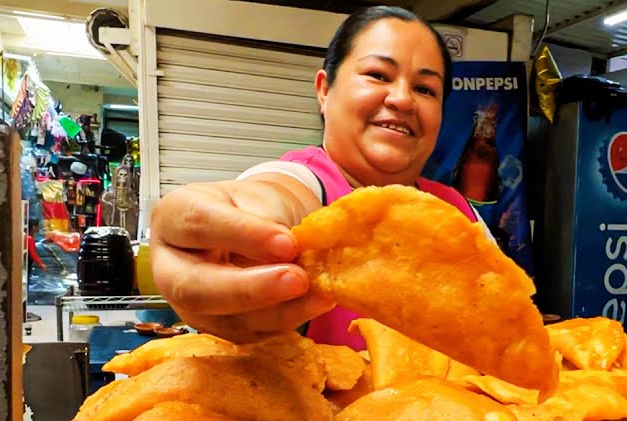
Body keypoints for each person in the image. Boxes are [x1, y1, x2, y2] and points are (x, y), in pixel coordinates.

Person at [146, 6, 491, 348]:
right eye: (378, 75)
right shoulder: (307, 181)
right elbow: (276, 197)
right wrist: (245, 225)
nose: (402, 99)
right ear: (325, 90)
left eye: (426, 89)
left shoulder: (458, 213)